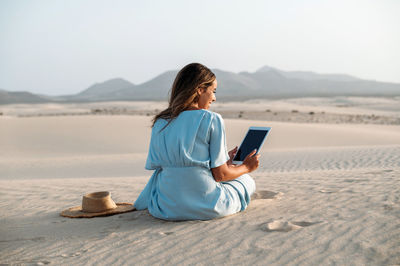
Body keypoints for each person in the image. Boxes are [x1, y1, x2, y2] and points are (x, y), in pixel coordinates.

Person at [134, 63, 260, 220]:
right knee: (245, 180)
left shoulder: (160, 122)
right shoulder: (211, 119)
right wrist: (246, 167)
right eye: (213, 91)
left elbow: (169, 165)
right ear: (200, 89)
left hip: (166, 207)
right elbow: (221, 175)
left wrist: (222, 159)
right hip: (207, 206)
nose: (214, 98)